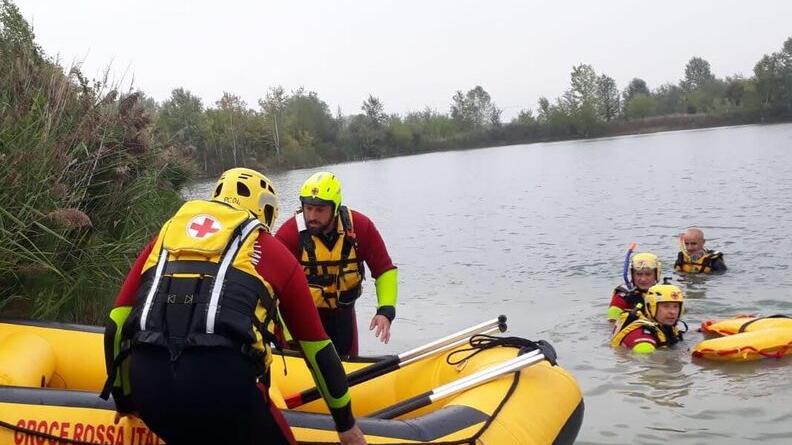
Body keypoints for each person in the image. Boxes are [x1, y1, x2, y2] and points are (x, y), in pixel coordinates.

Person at [101, 168, 367, 445]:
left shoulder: (163, 240)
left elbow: (116, 326)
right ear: (264, 210)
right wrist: (345, 424)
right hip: (224, 391)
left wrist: (124, 399)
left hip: (150, 391)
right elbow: (318, 350)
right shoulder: (271, 250)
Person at [275, 171, 397, 357]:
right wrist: (289, 338)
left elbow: (384, 270)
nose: (312, 216)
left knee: (349, 367)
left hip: (343, 318)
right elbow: (273, 290)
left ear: (335, 208)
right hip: (302, 322)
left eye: (320, 210)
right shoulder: (289, 235)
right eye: (308, 208)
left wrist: (385, 310)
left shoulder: (360, 227)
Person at [611, 282, 686, 354]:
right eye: (666, 306)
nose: (673, 312)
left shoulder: (669, 328)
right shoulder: (642, 338)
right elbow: (645, 359)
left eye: (676, 306)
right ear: (650, 307)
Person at [607, 252, 661, 321]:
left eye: (648, 274)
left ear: (656, 274)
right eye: (639, 274)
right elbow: (611, 323)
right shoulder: (621, 298)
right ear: (633, 275)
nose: (643, 279)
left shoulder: (662, 294)